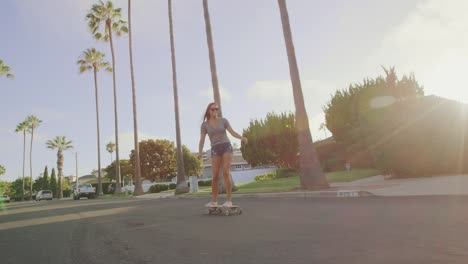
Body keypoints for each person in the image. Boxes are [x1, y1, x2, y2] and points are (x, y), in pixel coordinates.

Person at [198, 102, 248, 207]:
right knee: (215, 176)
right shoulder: (205, 125)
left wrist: (242, 138)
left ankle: (229, 201)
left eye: (217, 109)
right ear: (209, 111)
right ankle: (214, 201)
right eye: (213, 109)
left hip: (226, 146)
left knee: (226, 172)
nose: (215, 111)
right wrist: (200, 151)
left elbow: (232, 132)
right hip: (215, 149)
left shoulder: (224, 121)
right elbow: (202, 140)